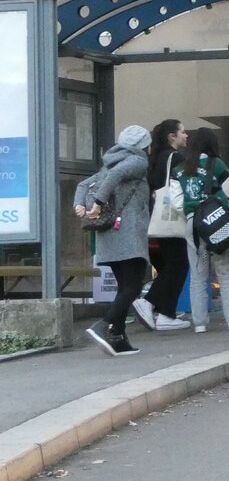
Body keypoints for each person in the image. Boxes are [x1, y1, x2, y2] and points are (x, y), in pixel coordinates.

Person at [74, 125, 153, 357]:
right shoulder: (138, 162)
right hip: (128, 234)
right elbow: (114, 177)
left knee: (124, 287)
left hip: (109, 234)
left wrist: (80, 206)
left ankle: (117, 338)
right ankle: (104, 324)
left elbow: (82, 185)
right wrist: (98, 201)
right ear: (143, 146)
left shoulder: (109, 161)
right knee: (134, 286)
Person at [170, 127, 229, 333]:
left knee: (198, 275)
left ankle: (200, 323)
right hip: (217, 225)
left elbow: (177, 204)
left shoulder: (179, 170)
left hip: (194, 227)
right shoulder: (217, 164)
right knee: (226, 271)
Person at [132, 119, 190, 332]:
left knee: (167, 267)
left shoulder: (152, 158)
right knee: (179, 265)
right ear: (171, 136)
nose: (186, 136)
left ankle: (165, 311)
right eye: (182, 132)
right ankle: (152, 305)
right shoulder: (176, 158)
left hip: (150, 222)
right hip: (170, 221)